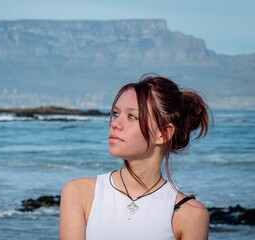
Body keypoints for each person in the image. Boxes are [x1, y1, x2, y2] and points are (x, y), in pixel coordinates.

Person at [59, 74, 211, 240]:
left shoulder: (190, 214)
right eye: (116, 114)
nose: (115, 124)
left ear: (164, 133)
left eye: (132, 116)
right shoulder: (80, 193)